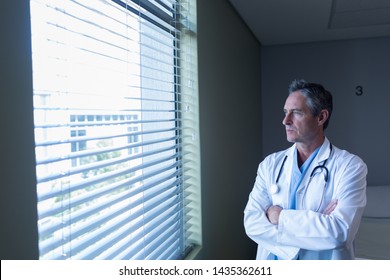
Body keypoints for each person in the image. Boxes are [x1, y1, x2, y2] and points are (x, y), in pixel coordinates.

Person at [244, 79, 367, 260]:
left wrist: (279, 217)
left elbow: (339, 233)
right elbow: (252, 223)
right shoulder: (270, 164)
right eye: (286, 112)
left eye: (296, 113)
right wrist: (316, 224)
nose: (285, 120)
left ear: (321, 117)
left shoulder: (350, 166)